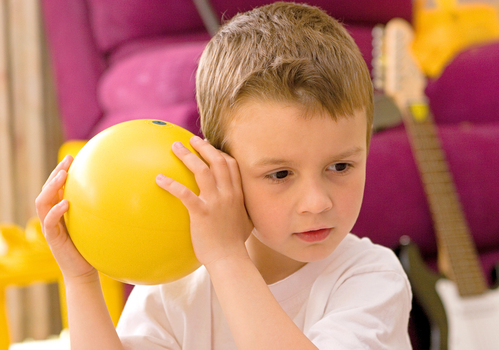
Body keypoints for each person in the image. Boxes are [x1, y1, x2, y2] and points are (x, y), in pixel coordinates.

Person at [35, 2, 412, 349]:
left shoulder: (371, 278)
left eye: (340, 166)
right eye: (280, 174)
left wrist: (227, 258)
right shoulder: (177, 284)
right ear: (219, 166)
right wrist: (81, 279)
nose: (317, 202)